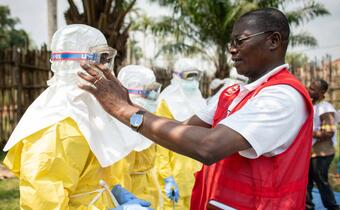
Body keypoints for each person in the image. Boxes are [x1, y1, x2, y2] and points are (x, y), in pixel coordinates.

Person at [77, 8, 314, 209]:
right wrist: (127, 104)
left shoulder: (283, 96)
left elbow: (208, 146)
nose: (231, 49)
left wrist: (123, 110)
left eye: (239, 41)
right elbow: (180, 130)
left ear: (273, 40)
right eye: (230, 42)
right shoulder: (232, 93)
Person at [3, 24, 151, 210]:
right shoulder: (58, 125)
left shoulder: (85, 115)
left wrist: (113, 196)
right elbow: (42, 205)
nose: (107, 69)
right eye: (102, 59)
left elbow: (87, 182)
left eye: (108, 59)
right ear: (78, 62)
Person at [155, 58, 206, 209]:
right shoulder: (166, 102)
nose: (193, 80)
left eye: (196, 75)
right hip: (174, 176)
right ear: (177, 76)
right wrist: (166, 176)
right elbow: (161, 144)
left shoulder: (200, 100)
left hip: (196, 176)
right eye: (188, 76)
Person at [117, 65, 163, 210]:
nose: (154, 95)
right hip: (127, 195)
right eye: (149, 91)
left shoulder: (151, 118)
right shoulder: (117, 129)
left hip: (149, 190)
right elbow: (118, 174)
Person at [306, 79, 339, 210]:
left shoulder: (326, 108)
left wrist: (306, 132)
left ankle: (332, 207)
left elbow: (328, 132)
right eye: (310, 87)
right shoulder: (313, 106)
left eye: (313, 89)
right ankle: (308, 206)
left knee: (321, 182)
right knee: (306, 182)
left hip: (322, 153)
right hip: (311, 152)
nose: (309, 90)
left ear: (323, 92)